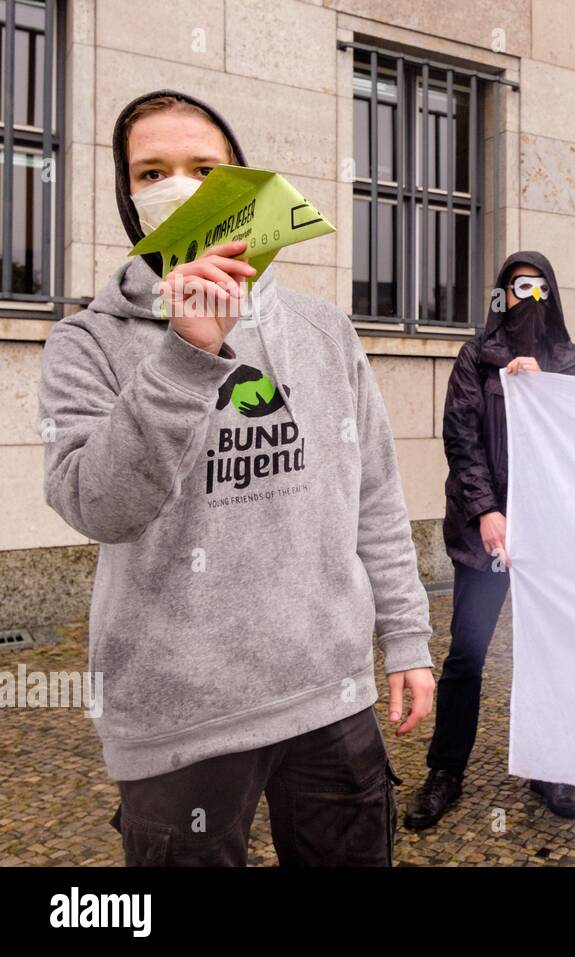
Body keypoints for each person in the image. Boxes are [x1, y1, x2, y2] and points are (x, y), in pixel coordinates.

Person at [37, 90, 434, 866]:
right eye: (152, 170)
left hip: (330, 694)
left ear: (242, 183)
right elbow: (96, 503)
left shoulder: (325, 331)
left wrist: (407, 637)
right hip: (179, 718)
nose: (178, 186)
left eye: (203, 167)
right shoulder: (85, 343)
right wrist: (186, 353)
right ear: (128, 197)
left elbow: (375, 497)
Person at [404, 251, 575, 829]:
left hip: (547, 536)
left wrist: (549, 390)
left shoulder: (570, 361)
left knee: (547, 656)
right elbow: (460, 437)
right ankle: (446, 771)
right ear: (501, 296)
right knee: (466, 655)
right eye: (516, 286)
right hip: (483, 535)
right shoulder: (476, 357)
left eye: (537, 286)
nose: (525, 296)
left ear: (550, 294)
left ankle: (548, 765)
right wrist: (486, 510)